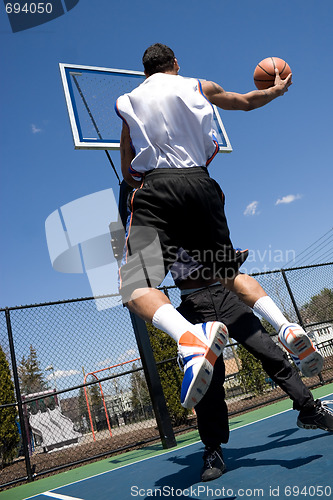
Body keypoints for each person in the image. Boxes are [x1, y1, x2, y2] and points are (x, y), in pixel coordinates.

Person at [115, 43, 320, 408]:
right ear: (175, 64)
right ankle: (285, 325)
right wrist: (276, 89)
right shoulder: (200, 86)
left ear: (145, 72)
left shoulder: (127, 100)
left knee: (134, 287)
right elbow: (245, 101)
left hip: (158, 186)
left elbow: (128, 162)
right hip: (202, 184)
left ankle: (189, 339)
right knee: (228, 273)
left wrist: (139, 184)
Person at [170, 250, 333, 482]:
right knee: (208, 380)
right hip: (194, 304)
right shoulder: (160, 228)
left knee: (271, 353)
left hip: (228, 296)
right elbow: (144, 278)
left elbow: (228, 260)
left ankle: (309, 409)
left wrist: (232, 258)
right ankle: (213, 449)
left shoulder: (206, 220)